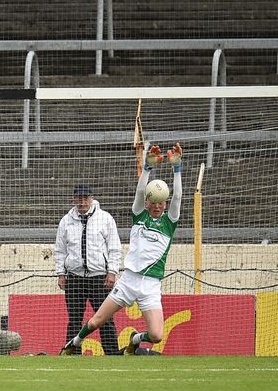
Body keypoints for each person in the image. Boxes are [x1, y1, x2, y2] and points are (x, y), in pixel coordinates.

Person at [60, 143, 182, 356]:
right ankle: (74, 343)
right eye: (152, 201)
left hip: (151, 285)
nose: (156, 206)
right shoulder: (139, 215)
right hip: (128, 281)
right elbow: (140, 190)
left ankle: (135, 339)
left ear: (165, 204)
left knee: (156, 335)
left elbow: (178, 198)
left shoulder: (169, 223)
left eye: (161, 203)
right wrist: (147, 168)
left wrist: (177, 169)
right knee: (98, 319)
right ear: (146, 202)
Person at [55, 183, 122, 355]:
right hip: (75, 277)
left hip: (99, 277)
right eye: (79, 198)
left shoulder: (105, 218)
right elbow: (60, 250)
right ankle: (72, 353)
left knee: (105, 319)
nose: (82, 201)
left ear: (92, 198)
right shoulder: (66, 221)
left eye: (86, 198)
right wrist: (61, 273)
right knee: (74, 319)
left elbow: (114, 247)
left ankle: (112, 353)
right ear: (73, 199)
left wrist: (112, 271)